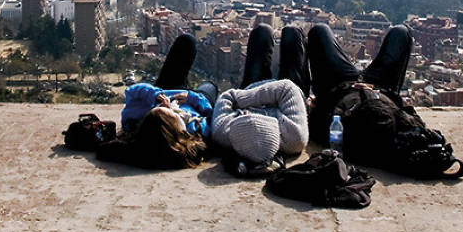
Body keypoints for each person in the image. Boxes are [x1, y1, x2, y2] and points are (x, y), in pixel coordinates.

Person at [97, 33, 215, 169]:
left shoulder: (134, 121)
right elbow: (213, 117)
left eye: (159, 108)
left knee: (186, 41)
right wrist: (193, 98)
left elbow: (132, 91)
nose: (167, 105)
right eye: (170, 112)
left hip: (165, 89)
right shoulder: (194, 131)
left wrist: (155, 96)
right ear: (177, 129)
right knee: (210, 87)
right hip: (192, 99)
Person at [212, 24, 309, 166]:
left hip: (253, 88)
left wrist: (250, 100)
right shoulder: (293, 139)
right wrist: (245, 102)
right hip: (291, 94)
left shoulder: (223, 134)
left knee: (262, 31)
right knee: (292, 32)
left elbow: (226, 97)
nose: (246, 113)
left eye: (244, 116)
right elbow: (286, 88)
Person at [306, 22, 413, 144]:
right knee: (401, 32)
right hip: (379, 88)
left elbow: (318, 121)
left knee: (319, 30)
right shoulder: (395, 132)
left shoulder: (338, 134)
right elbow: (411, 118)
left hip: (340, 87)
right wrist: (376, 92)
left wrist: (317, 103)